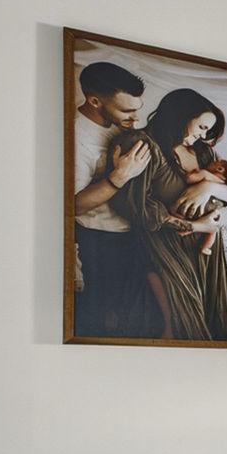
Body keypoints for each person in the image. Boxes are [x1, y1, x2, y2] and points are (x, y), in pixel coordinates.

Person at [113, 88, 227, 342]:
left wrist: (209, 186)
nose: (204, 135)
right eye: (201, 126)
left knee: (214, 324)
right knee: (185, 325)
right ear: (180, 116)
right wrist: (197, 226)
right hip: (165, 243)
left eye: (208, 130)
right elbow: (137, 207)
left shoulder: (203, 153)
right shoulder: (143, 146)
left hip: (206, 249)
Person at [69, 60, 159, 338]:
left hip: (135, 232)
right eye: (127, 110)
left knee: (140, 315)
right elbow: (72, 206)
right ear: (95, 100)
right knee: (103, 318)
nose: (136, 119)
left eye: (137, 109)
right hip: (100, 240)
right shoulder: (76, 138)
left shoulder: (120, 125)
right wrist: (119, 177)